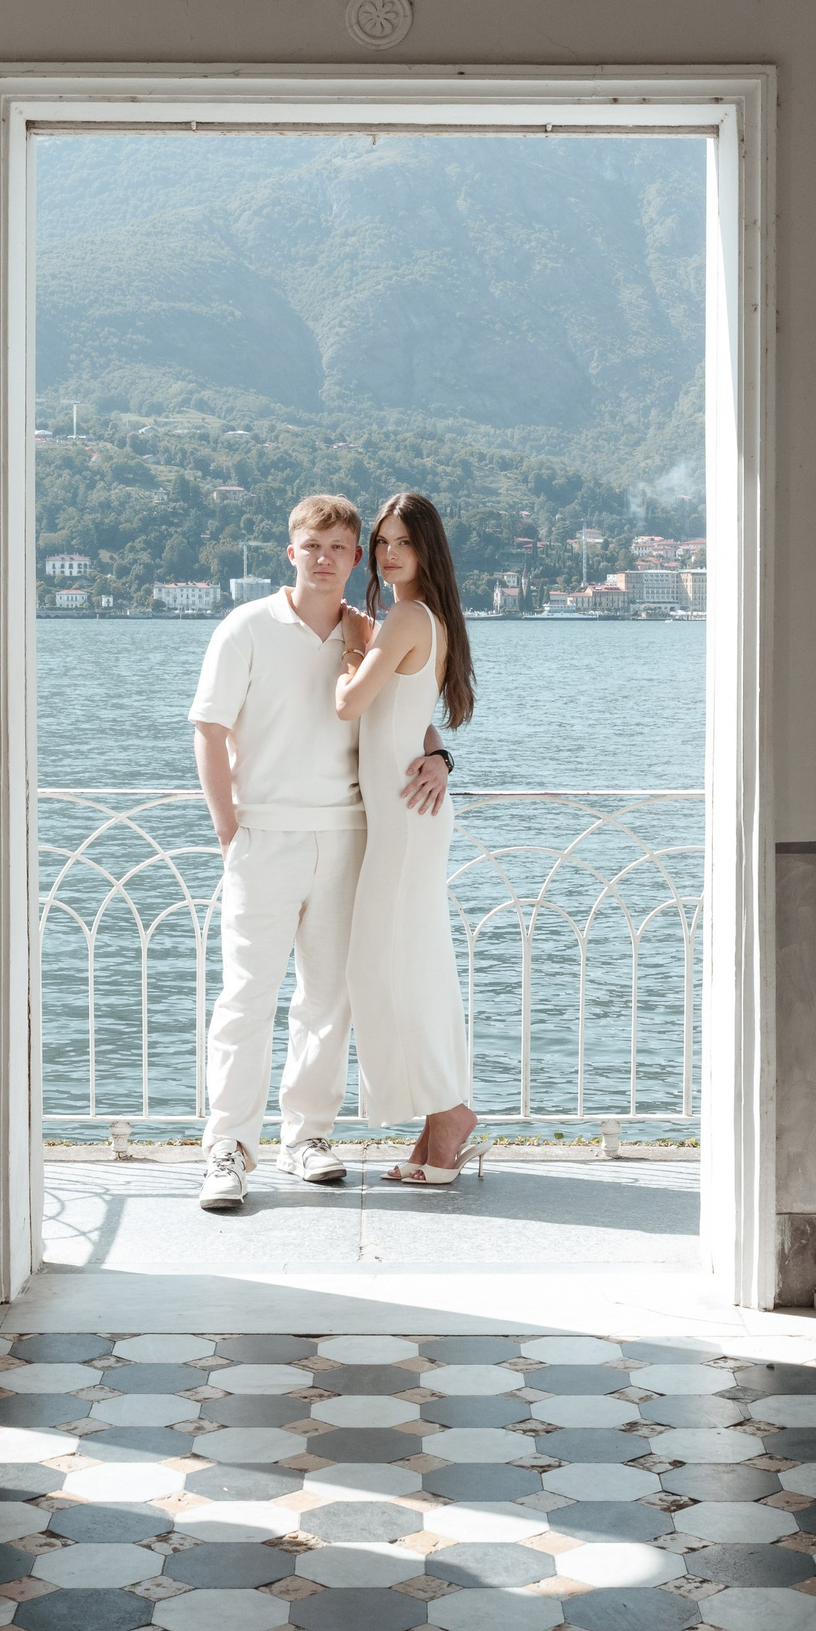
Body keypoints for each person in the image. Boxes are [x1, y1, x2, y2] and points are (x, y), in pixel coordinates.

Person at [189, 494, 451, 1211]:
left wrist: (441, 757)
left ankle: (305, 1135)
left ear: (355, 557)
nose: (326, 558)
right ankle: (228, 1149)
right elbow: (208, 731)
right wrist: (228, 827)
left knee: (327, 997)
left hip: (349, 835)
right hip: (263, 836)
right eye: (314, 546)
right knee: (246, 996)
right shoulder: (245, 628)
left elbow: (406, 713)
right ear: (292, 550)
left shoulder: (367, 629)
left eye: (340, 547)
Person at [337, 492, 488, 1185]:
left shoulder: (403, 618)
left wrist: (347, 646)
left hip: (401, 818)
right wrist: (442, 755)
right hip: (409, 810)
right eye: (382, 542)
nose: (388, 554)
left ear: (427, 548)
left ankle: (450, 1112)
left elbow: (350, 703)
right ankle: (438, 1121)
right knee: (412, 966)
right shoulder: (427, 618)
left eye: (403, 541)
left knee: (387, 968)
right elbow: (414, 716)